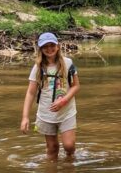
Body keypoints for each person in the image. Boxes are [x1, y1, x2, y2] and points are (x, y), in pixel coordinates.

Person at [20, 32, 80, 160]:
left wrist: (64, 100)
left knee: (69, 146)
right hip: (46, 113)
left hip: (66, 112)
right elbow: (31, 93)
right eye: (45, 46)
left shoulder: (68, 63)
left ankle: (69, 166)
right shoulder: (38, 68)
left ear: (58, 46)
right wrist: (25, 117)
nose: (49, 49)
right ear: (40, 49)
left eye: (52, 45)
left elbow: (76, 86)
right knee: (52, 148)